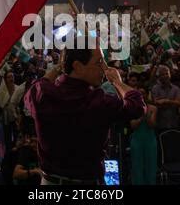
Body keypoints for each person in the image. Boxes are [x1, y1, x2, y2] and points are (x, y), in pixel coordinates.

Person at [24, 37, 144, 185]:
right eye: (99, 62)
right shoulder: (98, 102)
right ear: (78, 66)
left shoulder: (42, 94)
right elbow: (137, 106)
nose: (104, 69)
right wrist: (117, 82)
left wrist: (60, 66)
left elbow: (39, 84)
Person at [130, 88, 157, 185]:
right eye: (139, 94)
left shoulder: (153, 108)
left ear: (146, 95)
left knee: (151, 166)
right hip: (137, 140)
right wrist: (142, 115)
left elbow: (152, 125)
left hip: (150, 140)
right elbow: (133, 126)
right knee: (137, 166)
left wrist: (147, 114)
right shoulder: (132, 108)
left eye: (143, 94)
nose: (141, 96)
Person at [151, 65, 180, 132]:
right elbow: (157, 104)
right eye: (163, 74)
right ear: (159, 77)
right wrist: (174, 102)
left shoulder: (176, 88)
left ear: (170, 75)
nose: (165, 76)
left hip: (173, 123)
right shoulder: (155, 88)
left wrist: (166, 101)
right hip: (160, 124)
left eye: (167, 74)